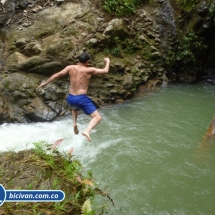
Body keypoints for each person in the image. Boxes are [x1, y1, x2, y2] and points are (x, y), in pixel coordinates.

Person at [37, 52, 110, 142]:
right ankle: (87, 131)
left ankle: (74, 123)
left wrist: (45, 83)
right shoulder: (89, 70)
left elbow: (57, 75)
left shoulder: (70, 67)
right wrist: (107, 61)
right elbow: (105, 71)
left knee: (74, 108)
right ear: (87, 61)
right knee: (97, 118)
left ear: (78, 60)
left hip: (70, 98)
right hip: (81, 98)